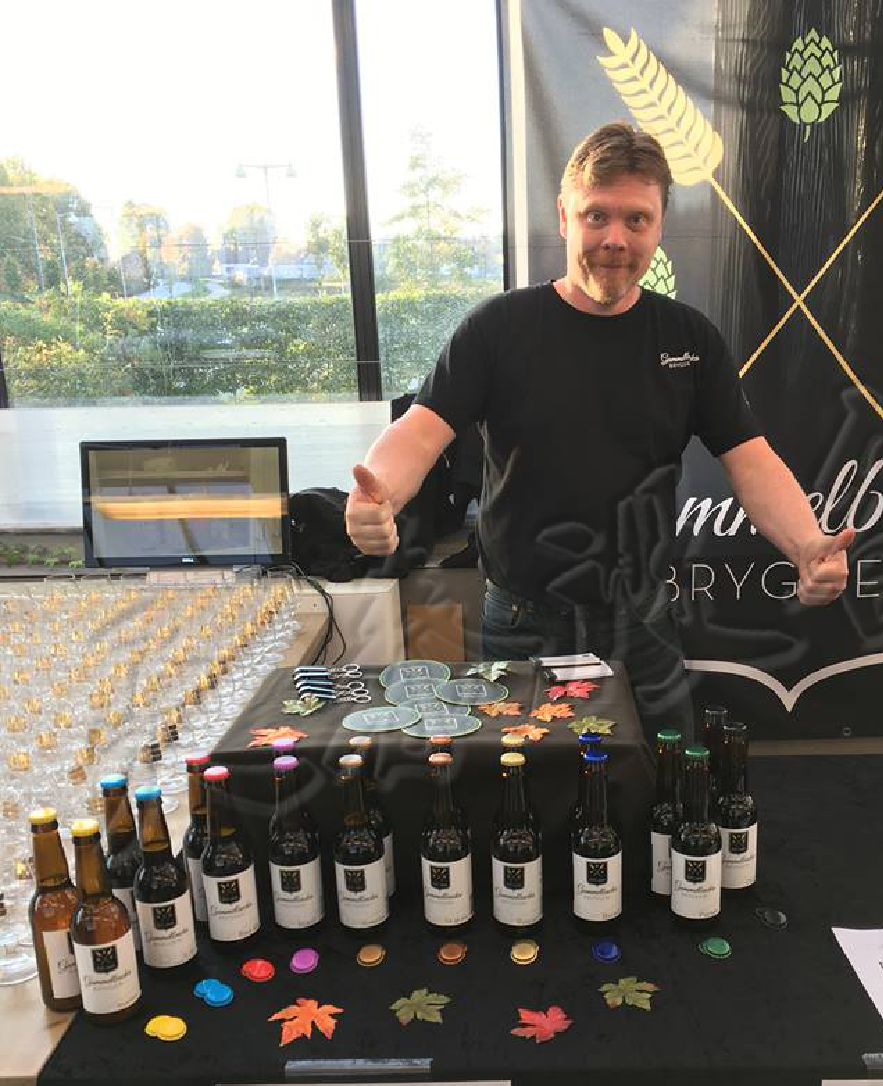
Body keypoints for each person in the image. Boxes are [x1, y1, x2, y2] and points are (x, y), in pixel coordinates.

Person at [345, 122, 853, 744]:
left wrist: (806, 545)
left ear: (659, 227)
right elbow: (420, 432)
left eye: (637, 220)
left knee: (661, 784)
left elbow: (751, 460)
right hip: (522, 623)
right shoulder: (497, 329)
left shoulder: (689, 339)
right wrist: (378, 496)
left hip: (642, 623)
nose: (616, 238)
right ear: (565, 217)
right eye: (597, 216)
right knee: (525, 789)